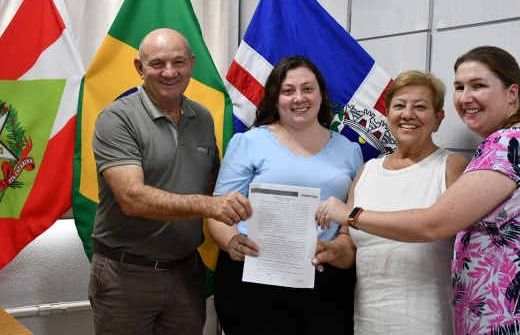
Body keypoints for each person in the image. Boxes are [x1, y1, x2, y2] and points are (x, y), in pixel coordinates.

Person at [318, 46, 520, 334]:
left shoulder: (514, 144)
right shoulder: (518, 141)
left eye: (479, 85)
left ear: (512, 92)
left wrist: (352, 215)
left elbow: (433, 224)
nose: (466, 97)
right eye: (460, 87)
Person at [88, 28, 252, 334]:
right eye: (157, 63)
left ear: (191, 64)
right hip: (127, 274)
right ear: (139, 68)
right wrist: (210, 206)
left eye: (178, 62)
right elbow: (132, 199)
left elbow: (212, 181)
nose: (169, 72)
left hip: (186, 273)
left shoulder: (202, 117)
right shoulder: (117, 119)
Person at [207, 55, 364, 335]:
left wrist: (337, 249)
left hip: (325, 282)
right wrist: (232, 242)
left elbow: (351, 225)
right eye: (288, 90)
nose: (298, 98)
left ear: (321, 95)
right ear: (275, 98)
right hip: (253, 281)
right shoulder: (248, 143)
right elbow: (219, 213)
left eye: (308, 89)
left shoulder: (349, 150)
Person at [312, 70, 469, 334]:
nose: (408, 114)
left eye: (420, 107)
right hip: (368, 322)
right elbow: (350, 246)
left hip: (429, 323)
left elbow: (430, 227)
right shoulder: (367, 171)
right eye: (399, 106)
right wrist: (330, 251)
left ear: (438, 119)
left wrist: (353, 215)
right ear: (387, 114)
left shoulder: (452, 167)